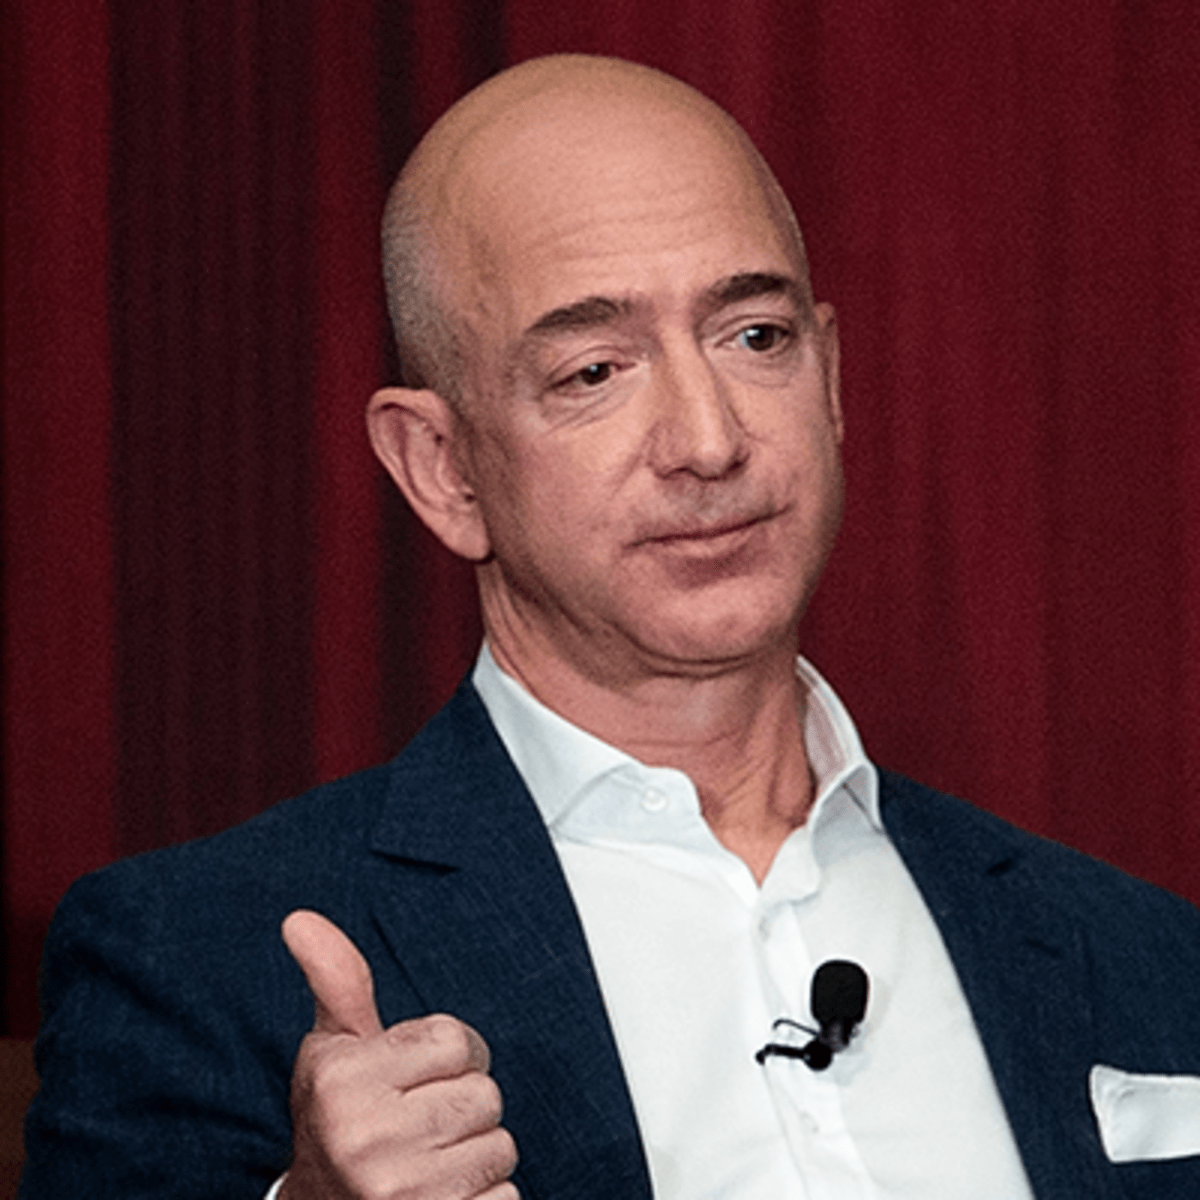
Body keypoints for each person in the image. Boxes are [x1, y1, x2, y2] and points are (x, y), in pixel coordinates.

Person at [21, 54, 1200, 1200]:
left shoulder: (1147, 957)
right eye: (594, 371)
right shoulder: (195, 962)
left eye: (755, 337)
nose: (709, 440)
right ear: (442, 469)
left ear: (833, 380)